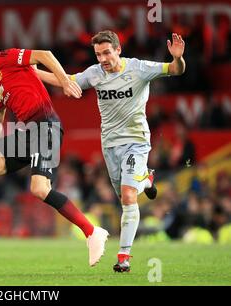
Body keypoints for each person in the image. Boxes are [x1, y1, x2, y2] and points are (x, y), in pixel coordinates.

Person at [35, 30, 186, 272]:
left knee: (128, 197)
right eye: (98, 54)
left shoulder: (139, 68)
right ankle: (146, 180)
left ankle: (123, 257)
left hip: (136, 141)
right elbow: (67, 80)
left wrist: (177, 58)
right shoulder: (95, 74)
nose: (103, 58)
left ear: (118, 50)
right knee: (123, 196)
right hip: (110, 145)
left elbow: (176, 70)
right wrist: (32, 72)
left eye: (107, 52)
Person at [0, 26, 109, 267]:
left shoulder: (7, 58)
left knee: (39, 189)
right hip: (29, 132)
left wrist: (64, 82)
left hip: (46, 127)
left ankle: (92, 232)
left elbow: (45, 55)